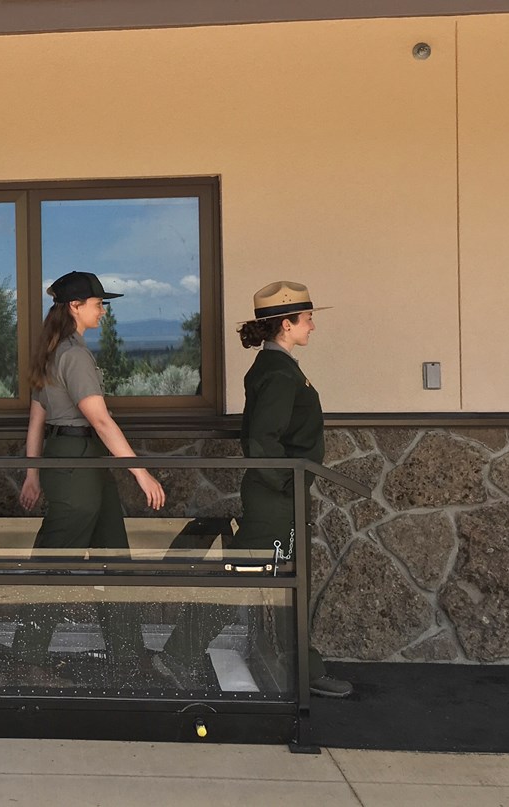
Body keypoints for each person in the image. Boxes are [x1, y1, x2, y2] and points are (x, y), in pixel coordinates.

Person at [153, 281, 352, 698]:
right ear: (286, 323)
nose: (313, 326)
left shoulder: (278, 366)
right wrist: (287, 483)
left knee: (284, 580)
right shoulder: (278, 372)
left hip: (280, 492)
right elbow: (264, 440)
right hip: (276, 495)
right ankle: (177, 654)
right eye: (308, 318)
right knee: (238, 578)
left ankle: (301, 668)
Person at [14, 271, 166, 685]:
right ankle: (26, 660)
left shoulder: (54, 350)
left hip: (79, 462)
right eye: (98, 303)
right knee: (54, 564)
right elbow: (99, 419)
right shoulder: (73, 354)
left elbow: (35, 422)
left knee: (115, 560)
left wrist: (33, 474)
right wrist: (141, 474)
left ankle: (129, 654)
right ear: (75, 307)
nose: (103, 309)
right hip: (78, 461)